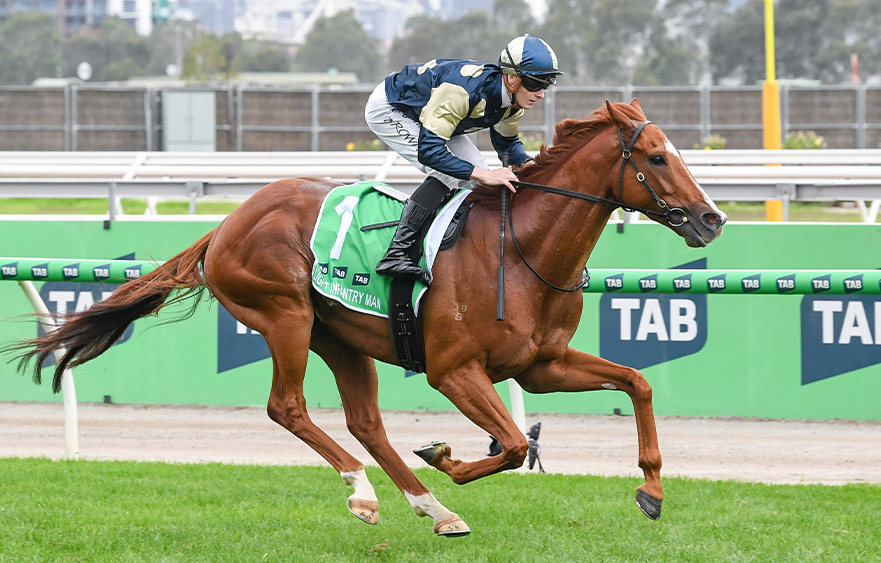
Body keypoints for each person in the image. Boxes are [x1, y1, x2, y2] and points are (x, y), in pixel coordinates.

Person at [365, 34, 563, 285]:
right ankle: (397, 252)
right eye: (536, 84)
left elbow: (507, 144)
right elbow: (430, 151)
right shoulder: (460, 92)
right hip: (392, 108)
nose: (542, 94)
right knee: (453, 172)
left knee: (476, 175)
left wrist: (534, 167)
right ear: (512, 78)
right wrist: (486, 175)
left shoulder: (514, 103)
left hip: (431, 116)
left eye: (547, 85)